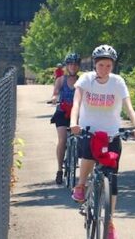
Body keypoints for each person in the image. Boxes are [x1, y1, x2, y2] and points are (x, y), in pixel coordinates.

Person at [69, 45, 135, 239]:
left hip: (111, 134)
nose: (104, 69)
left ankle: (110, 222)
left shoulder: (118, 82)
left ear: (113, 66)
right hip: (89, 131)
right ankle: (81, 184)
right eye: (101, 65)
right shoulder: (86, 79)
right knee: (88, 154)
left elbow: (128, 106)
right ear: (95, 64)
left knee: (113, 180)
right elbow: (77, 102)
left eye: (108, 65)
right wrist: (73, 123)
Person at [50, 53, 81, 184]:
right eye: (70, 64)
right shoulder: (61, 79)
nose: (73, 66)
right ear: (67, 66)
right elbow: (56, 92)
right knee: (62, 139)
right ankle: (59, 170)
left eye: (75, 64)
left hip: (78, 113)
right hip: (62, 112)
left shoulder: (82, 80)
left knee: (83, 139)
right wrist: (54, 98)